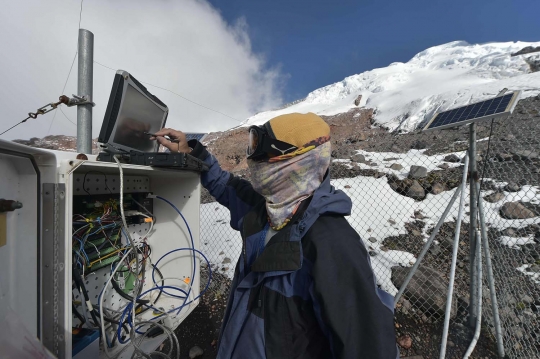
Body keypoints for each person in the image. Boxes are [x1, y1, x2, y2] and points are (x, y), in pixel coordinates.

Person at [152, 113, 398, 359]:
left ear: (300, 163)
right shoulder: (268, 209)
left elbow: (369, 346)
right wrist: (190, 152)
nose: (256, 165)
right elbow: (227, 186)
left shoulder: (333, 244)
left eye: (266, 158)